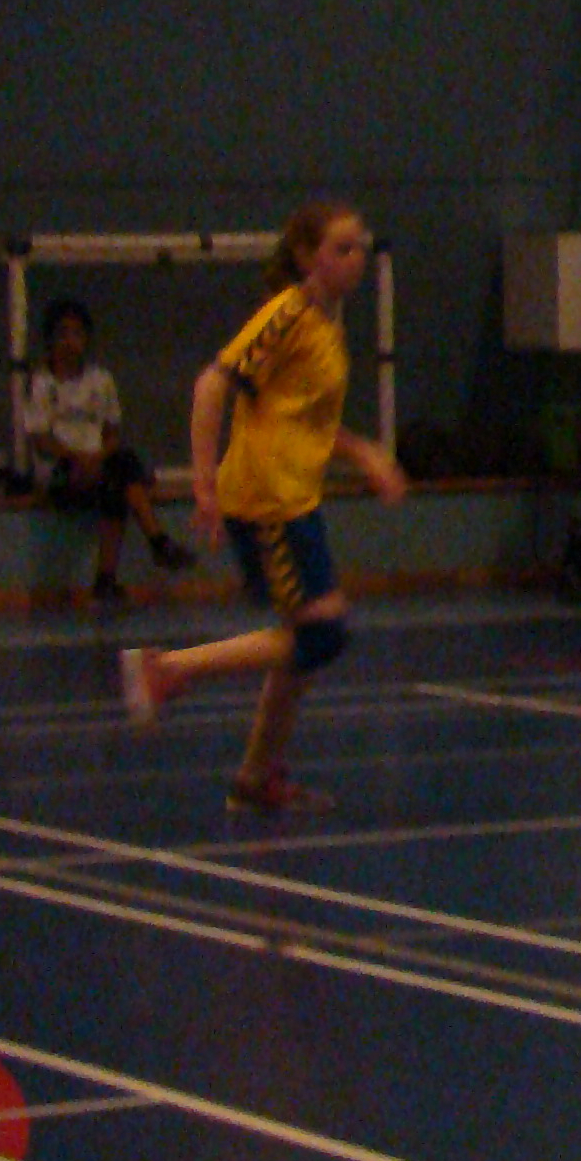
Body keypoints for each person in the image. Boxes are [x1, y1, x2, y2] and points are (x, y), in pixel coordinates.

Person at [118, 202, 408, 812]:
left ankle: (254, 779)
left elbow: (302, 420)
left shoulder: (329, 325)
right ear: (306, 256)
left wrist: (362, 453)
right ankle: (168, 668)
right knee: (321, 636)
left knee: (304, 644)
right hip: (267, 499)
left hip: (296, 496)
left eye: (359, 246)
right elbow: (212, 385)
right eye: (341, 248)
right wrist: (204, 486)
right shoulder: (288, 316)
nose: (355, 258)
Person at [22, 297, 193, 601]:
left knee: (119, 476)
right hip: (61, 469)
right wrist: (78, 458)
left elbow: (112, 433)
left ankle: (107, 579)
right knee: (123, 471)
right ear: (51, 339)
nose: (70, 342)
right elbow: (40, 439)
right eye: (63, 334)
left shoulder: (101, 381)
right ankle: (157, 541)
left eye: (77, 334)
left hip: (99, 463)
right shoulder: (42, 383)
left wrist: (98, 456)